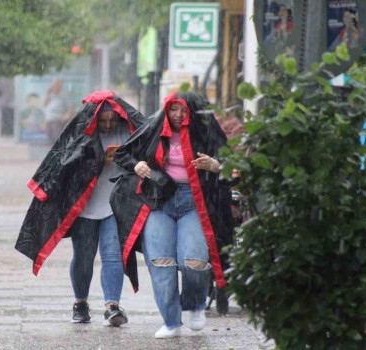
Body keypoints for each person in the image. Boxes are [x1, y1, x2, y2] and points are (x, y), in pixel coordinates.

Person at [15, 90, 145, 326]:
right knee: (84, 257)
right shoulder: (81, 135)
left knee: (113, 256)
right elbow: (65, 166)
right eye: (103, 121)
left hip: (114, 207)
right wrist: (97, 161)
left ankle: (112, 306)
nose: (107, 125)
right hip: (85, 209)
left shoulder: (131, 133)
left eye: (111, 120)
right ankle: (80, 303)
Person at [112, 91, 235, 339]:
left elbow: (232, 163)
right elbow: (124, 153)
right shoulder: (154, 126)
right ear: (166, 110)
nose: (178, 115)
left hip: (195, 202)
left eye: (183, 110)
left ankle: (197, 304)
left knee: (195, 261)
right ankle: (171, 320)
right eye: (173, 109)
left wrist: (215, 165)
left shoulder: (206, 130)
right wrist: (138, 166)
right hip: (159, 202)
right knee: (160, 262)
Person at [43, 79, 74, 144]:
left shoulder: (65, 95)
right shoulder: (50, 94)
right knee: (50, 139)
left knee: (57, 139)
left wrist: (67, 116)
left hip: (58, 119)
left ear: (60, 86)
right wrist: (48, 93)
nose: (55, 87)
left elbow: (70, 107)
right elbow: (44, 104)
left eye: (57, 85)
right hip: (49, 119)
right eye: (54, 85)